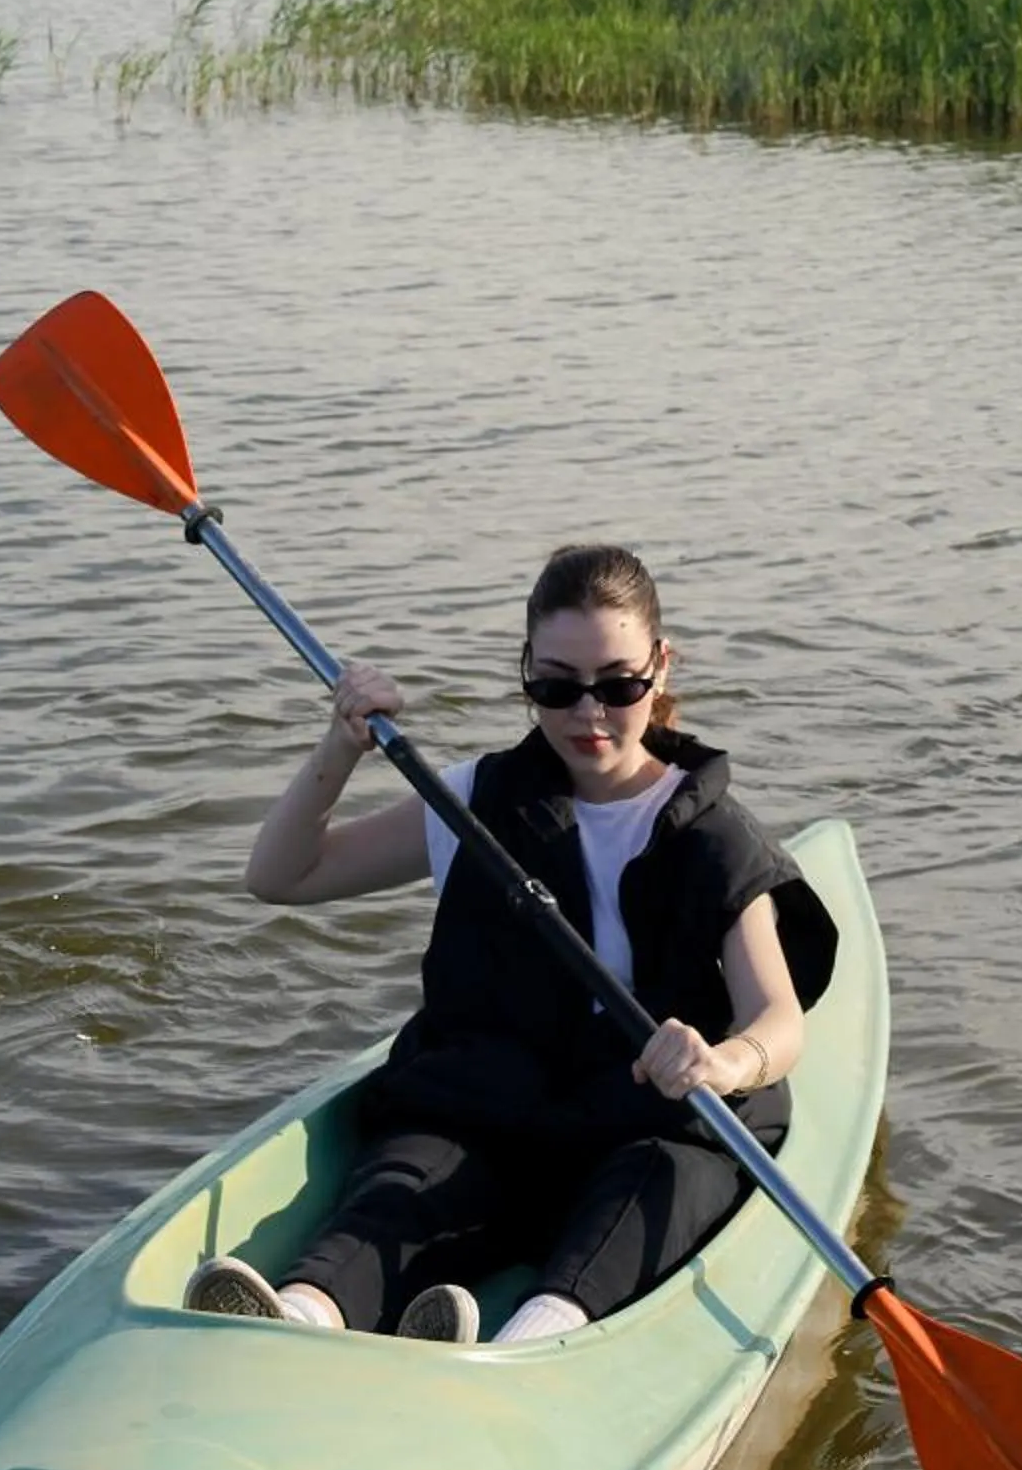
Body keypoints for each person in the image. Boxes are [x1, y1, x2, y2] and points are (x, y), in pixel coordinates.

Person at [184, 541, 838, 1347]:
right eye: (557, 687)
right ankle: (299, 1316)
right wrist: (339, 746)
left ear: (661, 668)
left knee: (654, 1180)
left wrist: (724, 1062)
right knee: (407, 1178)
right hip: (493, 1111)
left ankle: (528, 1342)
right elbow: (283, 876)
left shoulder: (714, 836)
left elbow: (778, 1018)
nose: (589, 715)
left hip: (646, 1121)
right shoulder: (472, 803)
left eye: (618, 685)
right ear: (526, 670)